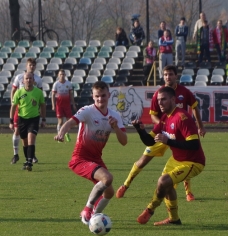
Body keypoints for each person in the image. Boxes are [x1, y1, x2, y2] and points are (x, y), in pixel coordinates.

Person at [116, 65, 206, 202]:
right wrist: (165, 125)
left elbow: (194, 107)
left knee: (184, 159)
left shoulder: (184, 92)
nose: (168, 77)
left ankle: (188, 192)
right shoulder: (158, 94)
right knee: (143, 160)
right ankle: (125, 185)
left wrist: (200, 126)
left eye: (170, 74)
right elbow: (153, 116)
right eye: (165, 75)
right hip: (162, 134)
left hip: (178, 134)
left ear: (176, 76)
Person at [54, 81, 127, 225]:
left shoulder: (114, 116)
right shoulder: (87, 111)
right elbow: (70, 122)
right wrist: (61, 133)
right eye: (97, 96)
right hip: (80, 158)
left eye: (103, 96)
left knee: (109, 192)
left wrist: (115, 128)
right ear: (93, 97)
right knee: (107, 178)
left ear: (109, 95)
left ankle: (94, 217)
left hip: (96, 158)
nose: (100, 99)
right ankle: (87, 209)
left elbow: (124, 141)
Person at [132, 87, 205, 225]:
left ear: (173, 99)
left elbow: (194, 144)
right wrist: (139, 130)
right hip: (176, 160)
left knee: (163, 182)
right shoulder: (165, 118)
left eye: (164, 99)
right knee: (167, 186)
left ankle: (150, 209)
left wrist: (169, 141)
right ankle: (174, 219)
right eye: (159, 100)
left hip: (193, 162)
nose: (160, 103)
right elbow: (149, 141)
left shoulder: (182, 117)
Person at [9, 72, 46, 171]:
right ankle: (27, 160)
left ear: (33, 80)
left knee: (31, 138)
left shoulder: (38, 92)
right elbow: (13, 107)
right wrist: (11, 121)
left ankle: (29, 162)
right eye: (27, 78)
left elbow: (42, 105)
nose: (29, 80)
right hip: (22, 120)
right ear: (23, 80)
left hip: (34, 119)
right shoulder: (19, 92)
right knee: (24, 142)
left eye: (30, 78)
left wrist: (43, 119)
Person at [52, 69, 77, 142]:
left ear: (65, 75)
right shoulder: (56, 84)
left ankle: (66, 134)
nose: (62, 76)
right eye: (60, 74)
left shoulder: (68, 84)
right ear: (58, 75)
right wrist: (53, 105)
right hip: (59, 105)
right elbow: (53, 95)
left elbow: (71, 94)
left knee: (68, 121)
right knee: (60, 121)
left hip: (67, 105)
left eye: (63, 74)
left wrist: (73, 104)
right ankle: (59, 136)